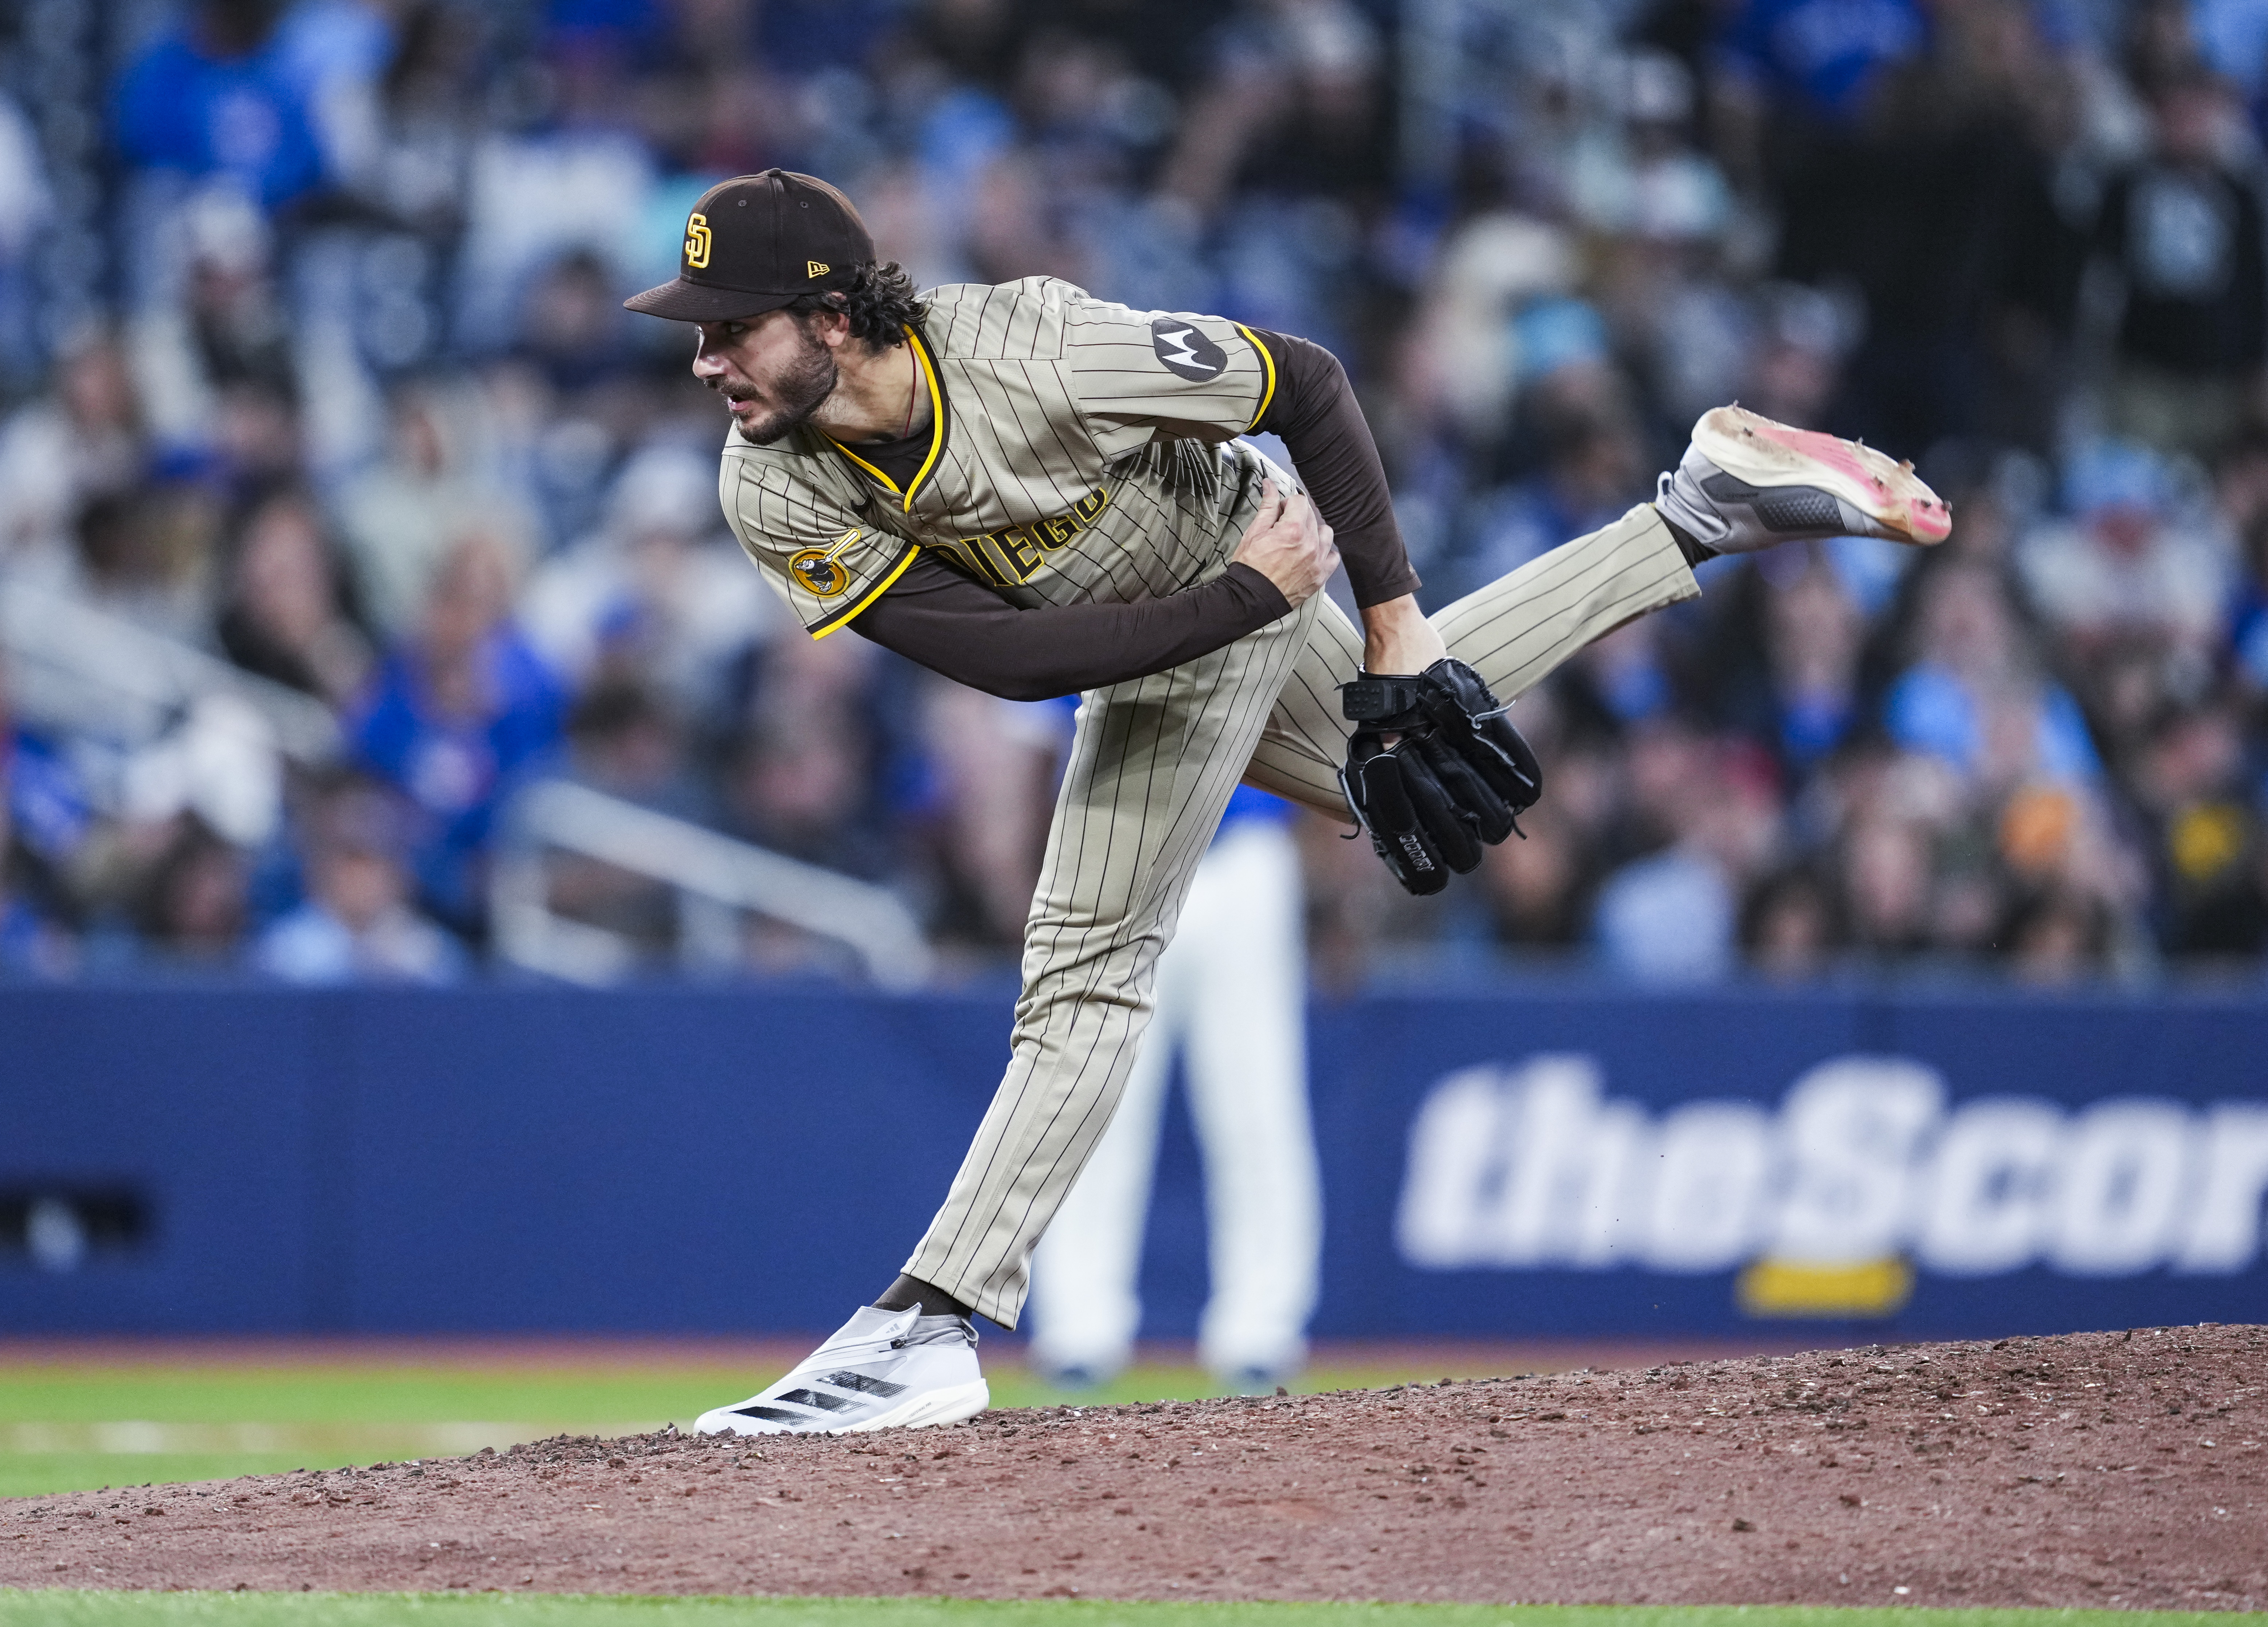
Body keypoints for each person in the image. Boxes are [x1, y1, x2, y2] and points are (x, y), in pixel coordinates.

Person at [621, 169, 1949, 1435]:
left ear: (832, 317)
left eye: (732, 327)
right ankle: (1700, 513)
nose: (705, 360)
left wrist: (1390, 617)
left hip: (1229, 557)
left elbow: (1302, 380)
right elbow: (1004, 660)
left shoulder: (1036, 349)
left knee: (1085, 967)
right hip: (1208, 604)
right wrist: (1265, 611)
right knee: (1395, 758)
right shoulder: (768, 480)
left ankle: (927, 1322)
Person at [1027, 786, 1319, 1392]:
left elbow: (1323, 748)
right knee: (1093, 1102)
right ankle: (1077, 1331)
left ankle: (1263, 1330)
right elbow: (1043, 748)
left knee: (1258, 1111)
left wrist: (1335, 892)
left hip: (1244, 852)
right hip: (1119, 846)